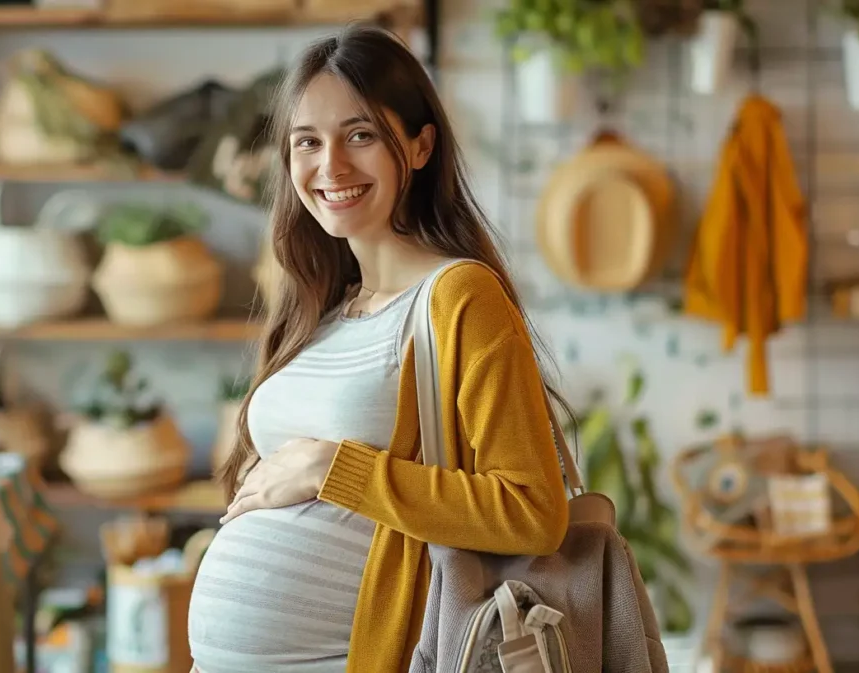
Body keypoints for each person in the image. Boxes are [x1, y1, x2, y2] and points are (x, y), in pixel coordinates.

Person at [186, 23, 571, 673]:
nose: (330, 165)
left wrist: (330, 468)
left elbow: (533, 512)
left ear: (420, 146)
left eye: (360, 135)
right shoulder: (319, 307)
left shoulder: (457, 297)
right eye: (308, 141)